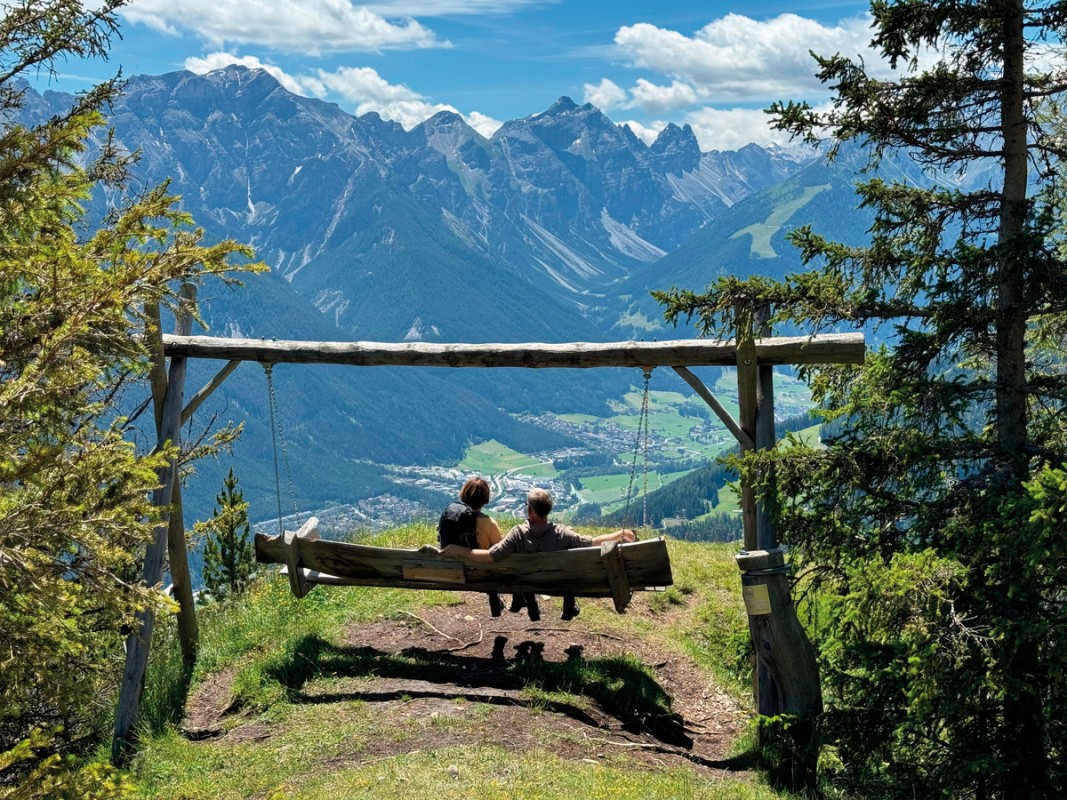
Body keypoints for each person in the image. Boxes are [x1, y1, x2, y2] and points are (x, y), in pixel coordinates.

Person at [440, 487, 636, 621]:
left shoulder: (518, 535)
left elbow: (491, 556)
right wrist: (620, 534)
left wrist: (461, 550)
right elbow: (592, 542)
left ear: (530, 511)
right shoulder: (562, 534)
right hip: (557, 584)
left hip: (527, 584)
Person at [459, 476, 506, 617]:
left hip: (458, 570)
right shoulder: (489, 523)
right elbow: (500, 550)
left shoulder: (453, 520)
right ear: (485, 499)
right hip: (484, 571)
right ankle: (494, 595)